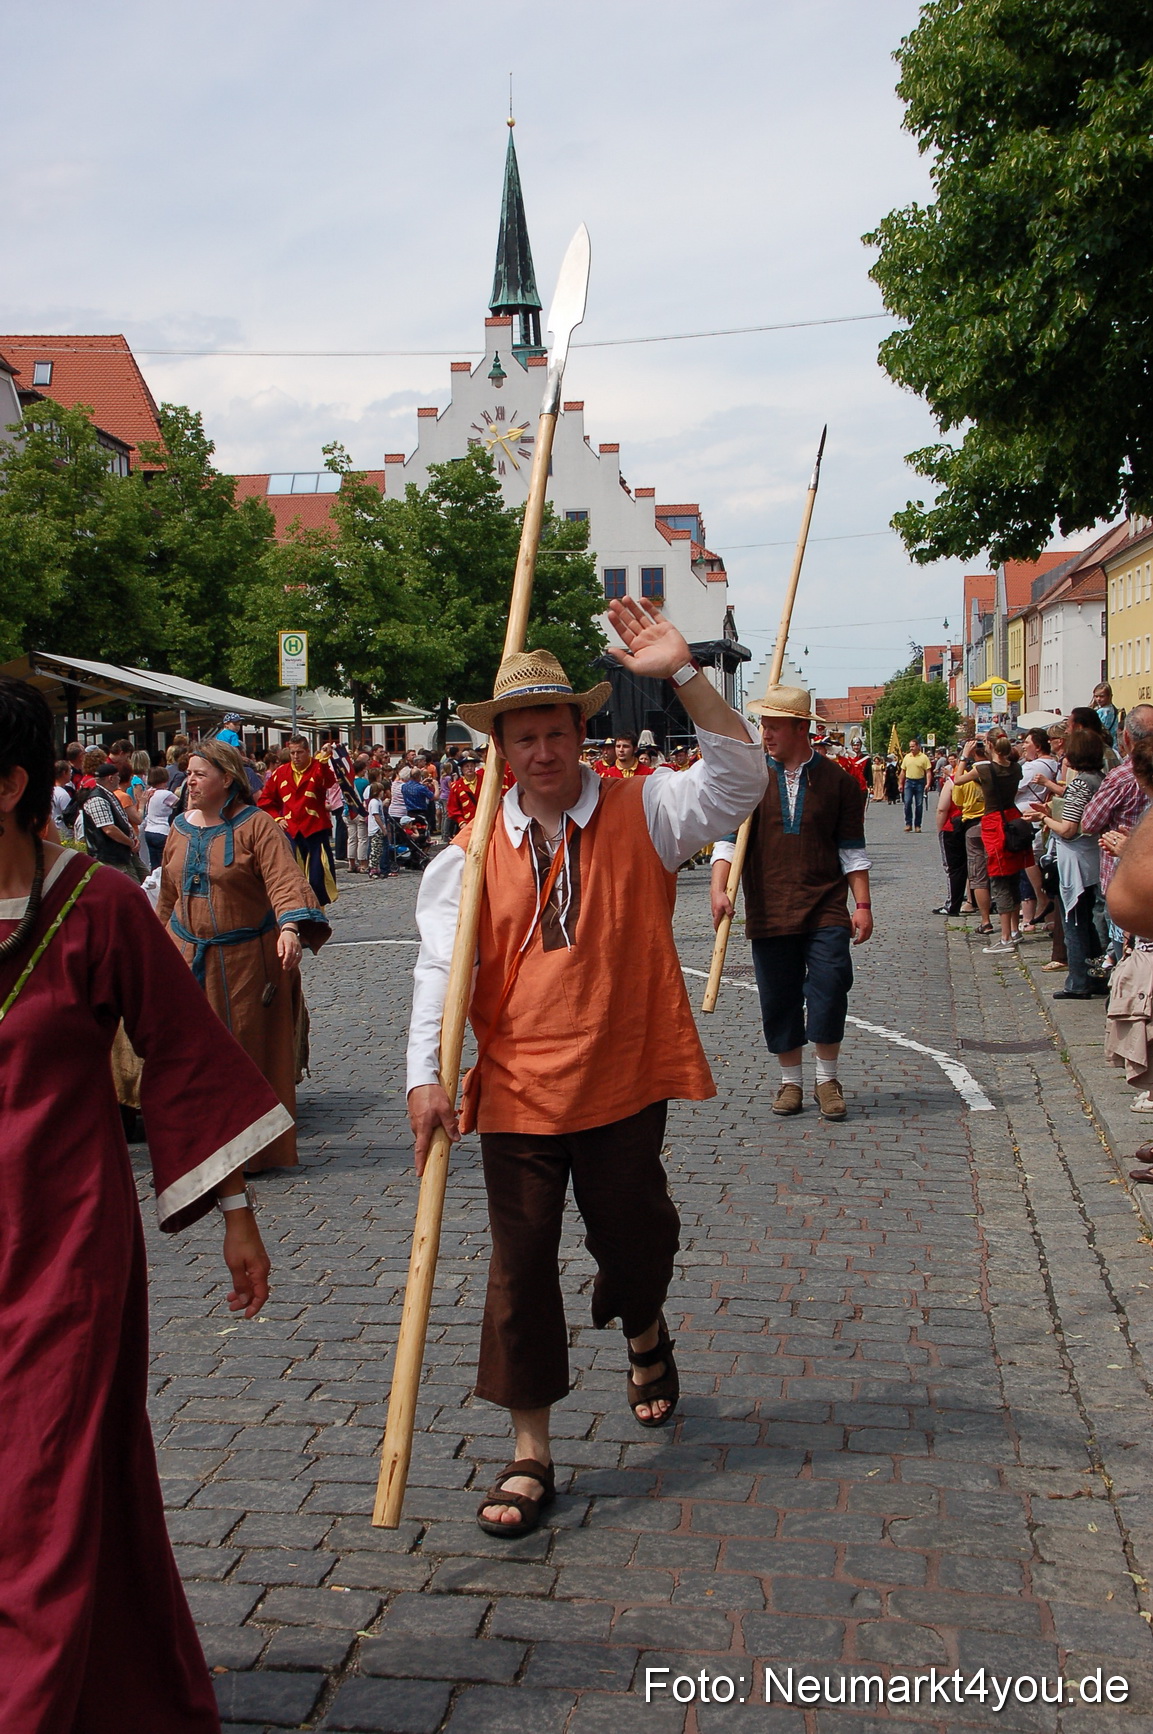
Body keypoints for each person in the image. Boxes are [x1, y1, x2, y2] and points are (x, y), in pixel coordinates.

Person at [406, 611, 767, 1535]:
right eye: (521, 737)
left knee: (636, 1237)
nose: (541, 751)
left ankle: (642, 1325)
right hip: (520, 1089)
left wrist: (685, 673)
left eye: (555, 732)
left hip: (622, 1076)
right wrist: (424, 1076)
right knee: (520, 1268)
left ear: (581, 732)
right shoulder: (468, 857)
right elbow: (441, 978)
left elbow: (741, 779)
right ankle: (530, 1453)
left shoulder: (644, 809)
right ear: (498, 747)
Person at [0, 675, 289, 1734]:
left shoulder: (96, 906)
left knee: (41, 1481)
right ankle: (123, 1690)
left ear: (10, 786)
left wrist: (236, 1211)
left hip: (63, 1251)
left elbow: (182, 1059)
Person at [158, 738, 330, 1171]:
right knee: (192, 1057)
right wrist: (155, 945)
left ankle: (252, 1154)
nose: (190, 780)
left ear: (227, 779)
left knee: (247, 1053)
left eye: (199, 773)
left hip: (247, 966)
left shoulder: (258, 826)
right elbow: (167, 896)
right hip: (187, 957)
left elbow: (284, 881)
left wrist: (289, 926)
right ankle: (202, 1147)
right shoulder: (179, 828)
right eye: (189, 772)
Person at [711, 684, 873, 1123]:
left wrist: (862, 904)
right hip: (769, 906)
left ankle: (827, 1078)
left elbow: (852, 849)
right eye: (763, 725)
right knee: (778, 996)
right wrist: (719, 889)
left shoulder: (839, 781)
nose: (765, 734)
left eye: (773, 726)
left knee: (831, 983)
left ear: (801, 728)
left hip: (825, 905)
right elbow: (727, 841)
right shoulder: (751, 778)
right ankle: (791, 1082)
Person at [1038, 727, 1107, 999]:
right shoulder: (1100, 778)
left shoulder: (1081, 783)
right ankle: (1095, 975)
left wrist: (1045, 820)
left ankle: (1078, 980)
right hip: (1091, 856)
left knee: (1074, 920)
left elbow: (1068, 828)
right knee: (1088, 921)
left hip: (1076, 858)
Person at [952, 730, 1034, 954]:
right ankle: (1014, 931)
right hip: (1013, 818)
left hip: (994, 822)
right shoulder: (1016, 768)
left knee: (999, 878)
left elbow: (958, 780)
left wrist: (964, 757)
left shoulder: (984, 769)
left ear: (989, 745)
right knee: (1014, 876)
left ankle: (1005, 937)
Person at [257, 733, 340, 906]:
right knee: (293, 878)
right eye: (293, 752)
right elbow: (265, 801)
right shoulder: (281, 772)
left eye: (300, 752)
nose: (296, 756)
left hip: (315, 829)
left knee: (318, 878)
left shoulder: (318, 766)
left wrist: (325, 760)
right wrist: (278, 818)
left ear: (307, 751)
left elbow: (327, 781)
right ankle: (297, 912)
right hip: (291, 832)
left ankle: (318, 912)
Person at [78, 762, 140, 875]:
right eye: (118, 776)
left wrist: (133, 837)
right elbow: (109, 829)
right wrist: (130, 842)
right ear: (111, 778)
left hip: (125, 851)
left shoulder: (109, 795)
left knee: (146, 880)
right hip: (111, 856)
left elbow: (123, 820)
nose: (119, 779)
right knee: (131, 887)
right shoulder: (97, 799)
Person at [933, 760, 968, 917]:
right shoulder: (983, 779)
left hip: (954, 826)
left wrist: (940, 831)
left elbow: (942, 808)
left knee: (954, 868)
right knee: (974, 867)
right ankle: (972, 902)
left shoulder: (953, 781)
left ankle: (953, 903)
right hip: (976, 825)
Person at [141, 766, 179, 870]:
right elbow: (179, 804)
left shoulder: (148, 792)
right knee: (165, 864)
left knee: (154, 865)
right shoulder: (166, 794)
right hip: (162, 831)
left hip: (149, 831)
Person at [899, 737, 932, 831]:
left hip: (920, 782)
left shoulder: (924, 757)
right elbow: (903, 771)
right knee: (907, 803)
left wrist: (928, 784)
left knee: (919, 804)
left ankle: (918, 825)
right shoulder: (907, 757)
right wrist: (900, 784)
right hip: (909, 782)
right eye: (910, 747)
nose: (911, 748)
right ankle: (908, 824)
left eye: (913, 746)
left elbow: (928, 772)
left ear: (918, 746)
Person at [1093, 682, 1119, 748]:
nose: (1098, 699)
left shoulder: (1102, 711)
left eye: (1102, 696)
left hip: (1103, 743)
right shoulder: (1113, 709)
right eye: (1096, 696)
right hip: (1113, 743)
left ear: (1109, 696)